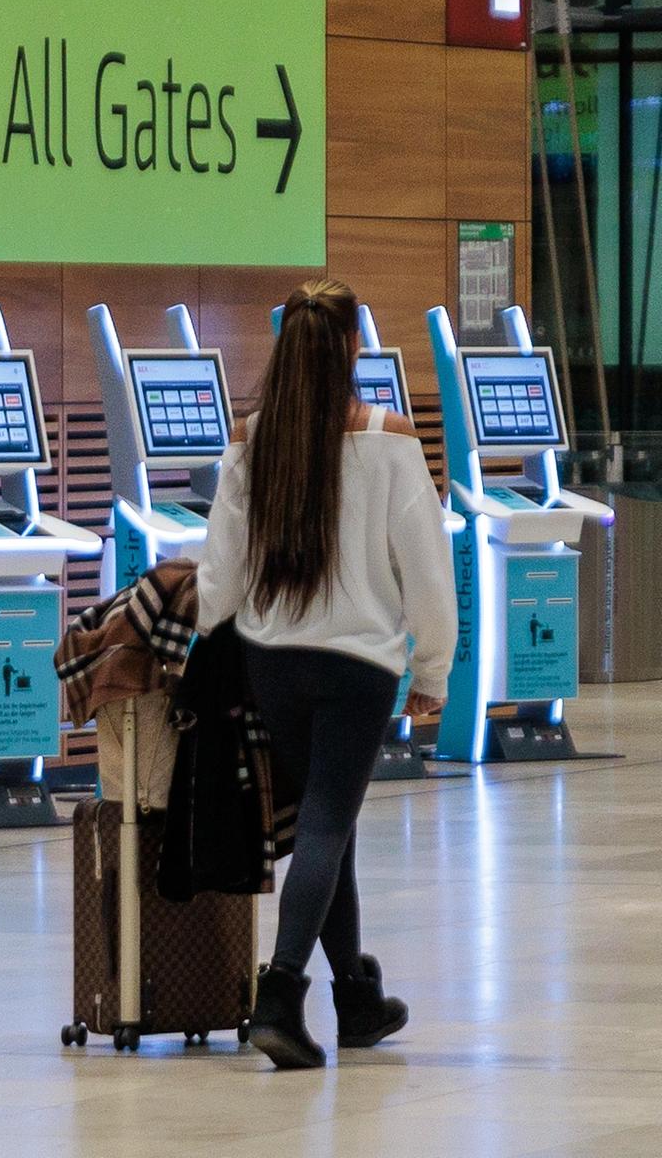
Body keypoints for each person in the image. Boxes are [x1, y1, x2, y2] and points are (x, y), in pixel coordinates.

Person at [197, 279, 457, 1070]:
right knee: (325, 824)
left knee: (325, 822)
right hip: (358, 667)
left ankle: (355, 998)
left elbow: (220, 577)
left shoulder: (251, 440)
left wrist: (204, 638)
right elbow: (427, 570)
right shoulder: (389, 439)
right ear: (352, 346)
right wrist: (434, 667)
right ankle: (279, 997)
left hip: (272, 660)